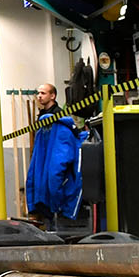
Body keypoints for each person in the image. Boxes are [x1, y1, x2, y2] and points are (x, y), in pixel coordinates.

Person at [24, 81, 82, 226]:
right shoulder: (42, 117)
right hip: (44, 160)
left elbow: (62, 150)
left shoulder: (58, 118)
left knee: (53, 180)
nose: (39, 96)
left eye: (43, 93)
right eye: (38, 93)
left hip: (54, 161)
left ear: (53, 96)